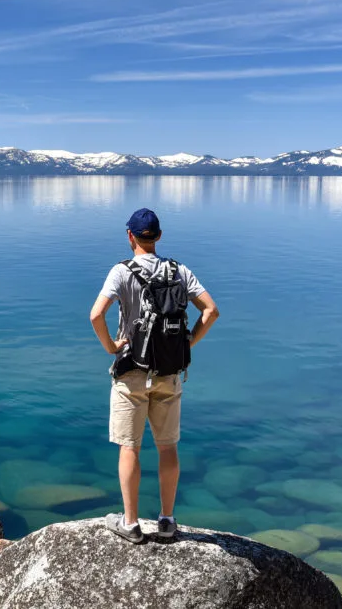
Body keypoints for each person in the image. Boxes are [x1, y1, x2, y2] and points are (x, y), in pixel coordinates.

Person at [89, 208, 219, 542]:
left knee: (129, 447)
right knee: (168, 446)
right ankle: (166, 520)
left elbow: (96, 315)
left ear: (129, 235)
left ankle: (130, 523)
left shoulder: (121, 271)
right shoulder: (179, 271)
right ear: (158, 236)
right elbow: (211, 310)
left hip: (132, 371)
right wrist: (189, 342)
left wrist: (110, 346)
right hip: (170, 372)